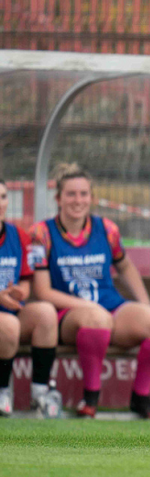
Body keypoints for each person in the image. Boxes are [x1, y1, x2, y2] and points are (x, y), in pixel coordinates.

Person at [30, 164, 150, 419]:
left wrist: (145, 304)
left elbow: (125, 267)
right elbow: (42, 291)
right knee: (97, 319)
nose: (78, 200)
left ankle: (141, 398)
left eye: (84, 194)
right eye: (71, 194)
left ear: (92, 198)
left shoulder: (107, 229)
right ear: (58, 198)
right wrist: (86, 306)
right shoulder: (42, 233)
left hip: (109, 308)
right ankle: (91, 398)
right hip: (68, 315)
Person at [0, 179, 62, 418]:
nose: (0, 203)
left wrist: (22, 292)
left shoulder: (19, 236)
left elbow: (25, 279)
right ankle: (2, 390)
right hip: (6, 321)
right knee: (8, 324)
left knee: (45, 313)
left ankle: (41, 393)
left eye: (4, 196)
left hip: (11, 312)